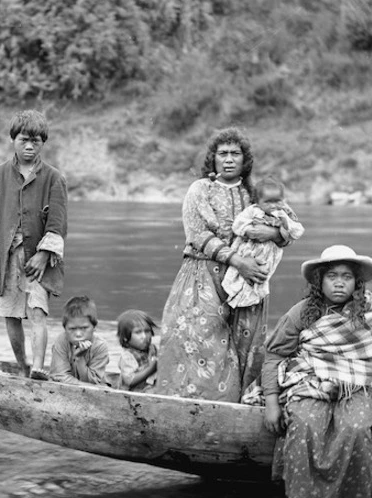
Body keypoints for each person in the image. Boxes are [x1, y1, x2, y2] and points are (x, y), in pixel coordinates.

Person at [155, 127, 290, 402]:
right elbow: (197, 233)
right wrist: (237, 260)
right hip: (202, 274)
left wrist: (276, 234)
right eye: (222, 153)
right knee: (200, 341)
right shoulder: (200, 189)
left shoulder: (256, 192)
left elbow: (287, 220)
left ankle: (242, 408)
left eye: (235, 153)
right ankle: (190, 407)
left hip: (248, 281)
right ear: (213, 159)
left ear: (245, 159)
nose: (229, 159)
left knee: (247, 346)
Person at [262, 245, 372, 498]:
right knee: (303, 425)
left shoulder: (368, 312)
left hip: (356, 387)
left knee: (355, 429)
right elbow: (274, 355)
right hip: (310, 382)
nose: (340, 282)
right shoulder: (302, 312)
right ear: (319, 281)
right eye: (332, 276)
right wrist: (271, 403)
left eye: (346, 276)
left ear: (357, 282)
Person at [0, 110, 67, 380]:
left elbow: (57, 224)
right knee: (11, 315)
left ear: (43, 143)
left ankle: (38, 368)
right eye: (24, 140)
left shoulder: (54, 179)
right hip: (6, 257)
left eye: (36, 141)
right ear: (13, 139)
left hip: (38, 259)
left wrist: (42, 256)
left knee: (37, 311)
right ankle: (23, 366)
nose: (29, 146)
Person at [222, 177, 304, 309]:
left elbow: (296, 232)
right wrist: (249, 231)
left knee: (261, 277)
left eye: (277, 201)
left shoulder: (283, 213)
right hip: (248, 249)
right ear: (258, 202)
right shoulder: (253, 210)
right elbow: (237, 225)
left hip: (270, 254)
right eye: (268, 202)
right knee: (237, 277)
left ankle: (252, 299)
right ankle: (233, 295)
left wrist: (284, 225)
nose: (273, 206)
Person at [49, 296, 110, 386]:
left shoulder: (100, 346)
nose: (78, 334)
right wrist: (81, 385)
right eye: (72, 329)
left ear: (94, 327)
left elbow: (93, 382)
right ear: (65, 329)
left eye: (84, 328)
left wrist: (80, 358)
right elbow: (60, 376)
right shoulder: (62, 341)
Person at [116, 309, 158, 392]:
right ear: (125, 337)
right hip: (132, 393)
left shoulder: (152, 348)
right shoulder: (127, 356)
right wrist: (151, 368)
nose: (144, 336)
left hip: (149, 387)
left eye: (147, 331)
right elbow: (129, 381)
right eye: (138, 332)